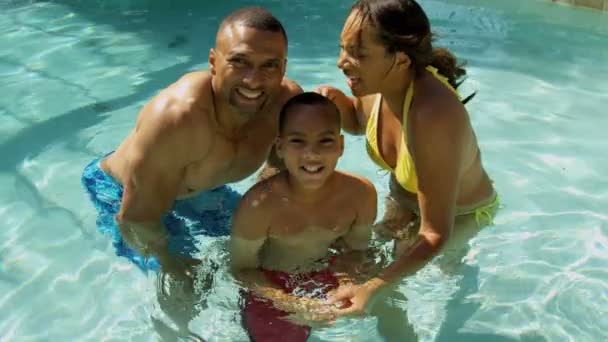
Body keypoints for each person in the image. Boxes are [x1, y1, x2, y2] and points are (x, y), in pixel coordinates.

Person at [81, 6, 301, 281]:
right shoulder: (177, 119)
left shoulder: (286, 105)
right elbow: (134, 219)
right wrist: (171, 262)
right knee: (186, 287)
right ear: (213, 62)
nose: (253, 80)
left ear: (284, 67)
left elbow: (280, 173)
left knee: (276, 248)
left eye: (270, 65)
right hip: (124, 194)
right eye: (239, 61)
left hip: (199, 190)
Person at [315, 0, 499, 316]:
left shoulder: (433, 116)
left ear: (400, 59)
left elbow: (434, 233)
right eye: (343, 49)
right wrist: (334, 104)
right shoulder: (377, 86)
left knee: (386, 291)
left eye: (358, 54)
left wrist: (371, 290)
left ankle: (460, 300)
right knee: (350, 252)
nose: (341, 63)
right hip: (404, 202)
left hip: (460, 214)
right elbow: (361, 123)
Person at [229, 92, 378, 342]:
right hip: (272, 285)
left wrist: (346, 283)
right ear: (280, 147)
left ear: (341, 146)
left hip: (327, 273)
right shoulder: (258, 206)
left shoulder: (360, 194)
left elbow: (356, 251)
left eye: (325, 141)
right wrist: (293, 304)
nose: (312, 154)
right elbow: (242, 270)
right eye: (298, 141)